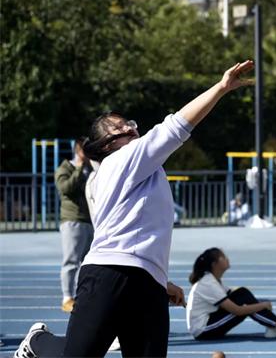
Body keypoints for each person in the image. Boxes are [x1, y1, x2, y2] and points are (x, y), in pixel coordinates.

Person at [14, 60, 254, 358]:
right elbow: (177, 125)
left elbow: (129, 231)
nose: (129, 126)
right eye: (118, 127)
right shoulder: (122, 159)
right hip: (107, 275)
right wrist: (220, 88)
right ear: (105, 144)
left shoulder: (141, 169)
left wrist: (158, 278)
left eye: (128, 122)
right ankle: (37, 341)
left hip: (145, 282)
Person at [186, 248, 276, 340]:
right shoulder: (208, 283)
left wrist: (253, 301)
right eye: (223, 257)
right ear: (214, 264)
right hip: (203, 330)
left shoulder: (213, 280)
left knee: (242, 293)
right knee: (245, 303)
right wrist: (263, 305)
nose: (227, 259)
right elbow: (237, 310)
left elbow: (239, 295)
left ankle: (274, 325)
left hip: (209, 322)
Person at [54, 138, 94, 313]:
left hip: (89, 220)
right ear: (79, 151)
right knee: (71, 261)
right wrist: (78, 168)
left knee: (90, 262)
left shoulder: (91, 168)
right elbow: (65, 188)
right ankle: (67, 297)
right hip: (72, 220)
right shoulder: (65, 168)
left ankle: (85, 295)